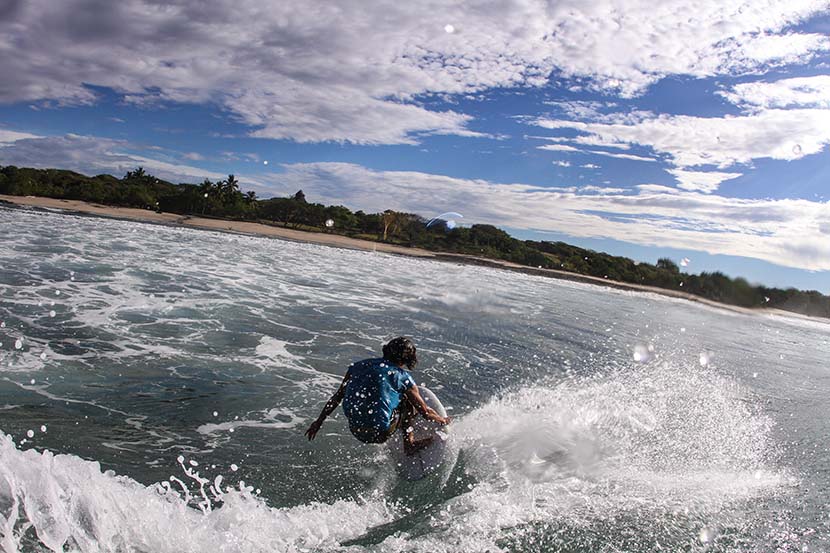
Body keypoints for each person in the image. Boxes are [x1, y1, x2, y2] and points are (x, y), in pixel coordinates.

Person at [304, 336, 450, 455]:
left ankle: (391, 421)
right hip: (379, 433)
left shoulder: (357, 366)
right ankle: (409, 444)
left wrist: (318, 422)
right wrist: (442, 419)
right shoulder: (402, 376)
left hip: (356, 430)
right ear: (407, 359)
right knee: (407, 401)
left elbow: (337, 397)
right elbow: (425, 412)